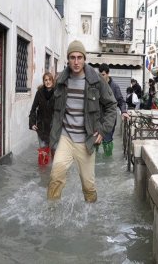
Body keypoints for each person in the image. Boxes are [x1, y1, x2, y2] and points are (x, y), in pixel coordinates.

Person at [47, 40, 117, 203]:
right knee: (55, 177)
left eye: (79, 57)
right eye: (72, 57)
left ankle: (91, 215)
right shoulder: (61, 80)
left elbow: (112, 106)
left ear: (84, 59)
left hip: (86, 140)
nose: (76, 62)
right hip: (65, 137)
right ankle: (52, 213)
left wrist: (103, 130)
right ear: (68, 59)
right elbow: (55, 110)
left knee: (88, 186)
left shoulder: (97, 80)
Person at [98, 63, 130, 156]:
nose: (101, 77)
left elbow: (121, 101)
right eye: (99, 75)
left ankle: (107, 163)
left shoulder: (114, 86)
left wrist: (123, 111)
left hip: (109, 118)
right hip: (97, 118)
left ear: (108, 74)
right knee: (94, 143)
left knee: (107, 142)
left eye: (103, 75)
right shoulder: (96, 85)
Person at [29, 72, 55, 165]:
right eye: (45, 80)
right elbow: (33, 109)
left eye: (49, 79)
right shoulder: (39, 93)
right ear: (43, 81)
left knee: (54, 152)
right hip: (42, 127)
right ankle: (43, 175)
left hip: (54, 127)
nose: (48, 82)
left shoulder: (57, 93)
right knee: (43, 153)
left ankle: (53, 174)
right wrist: (32, 123)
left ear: (53, 80)